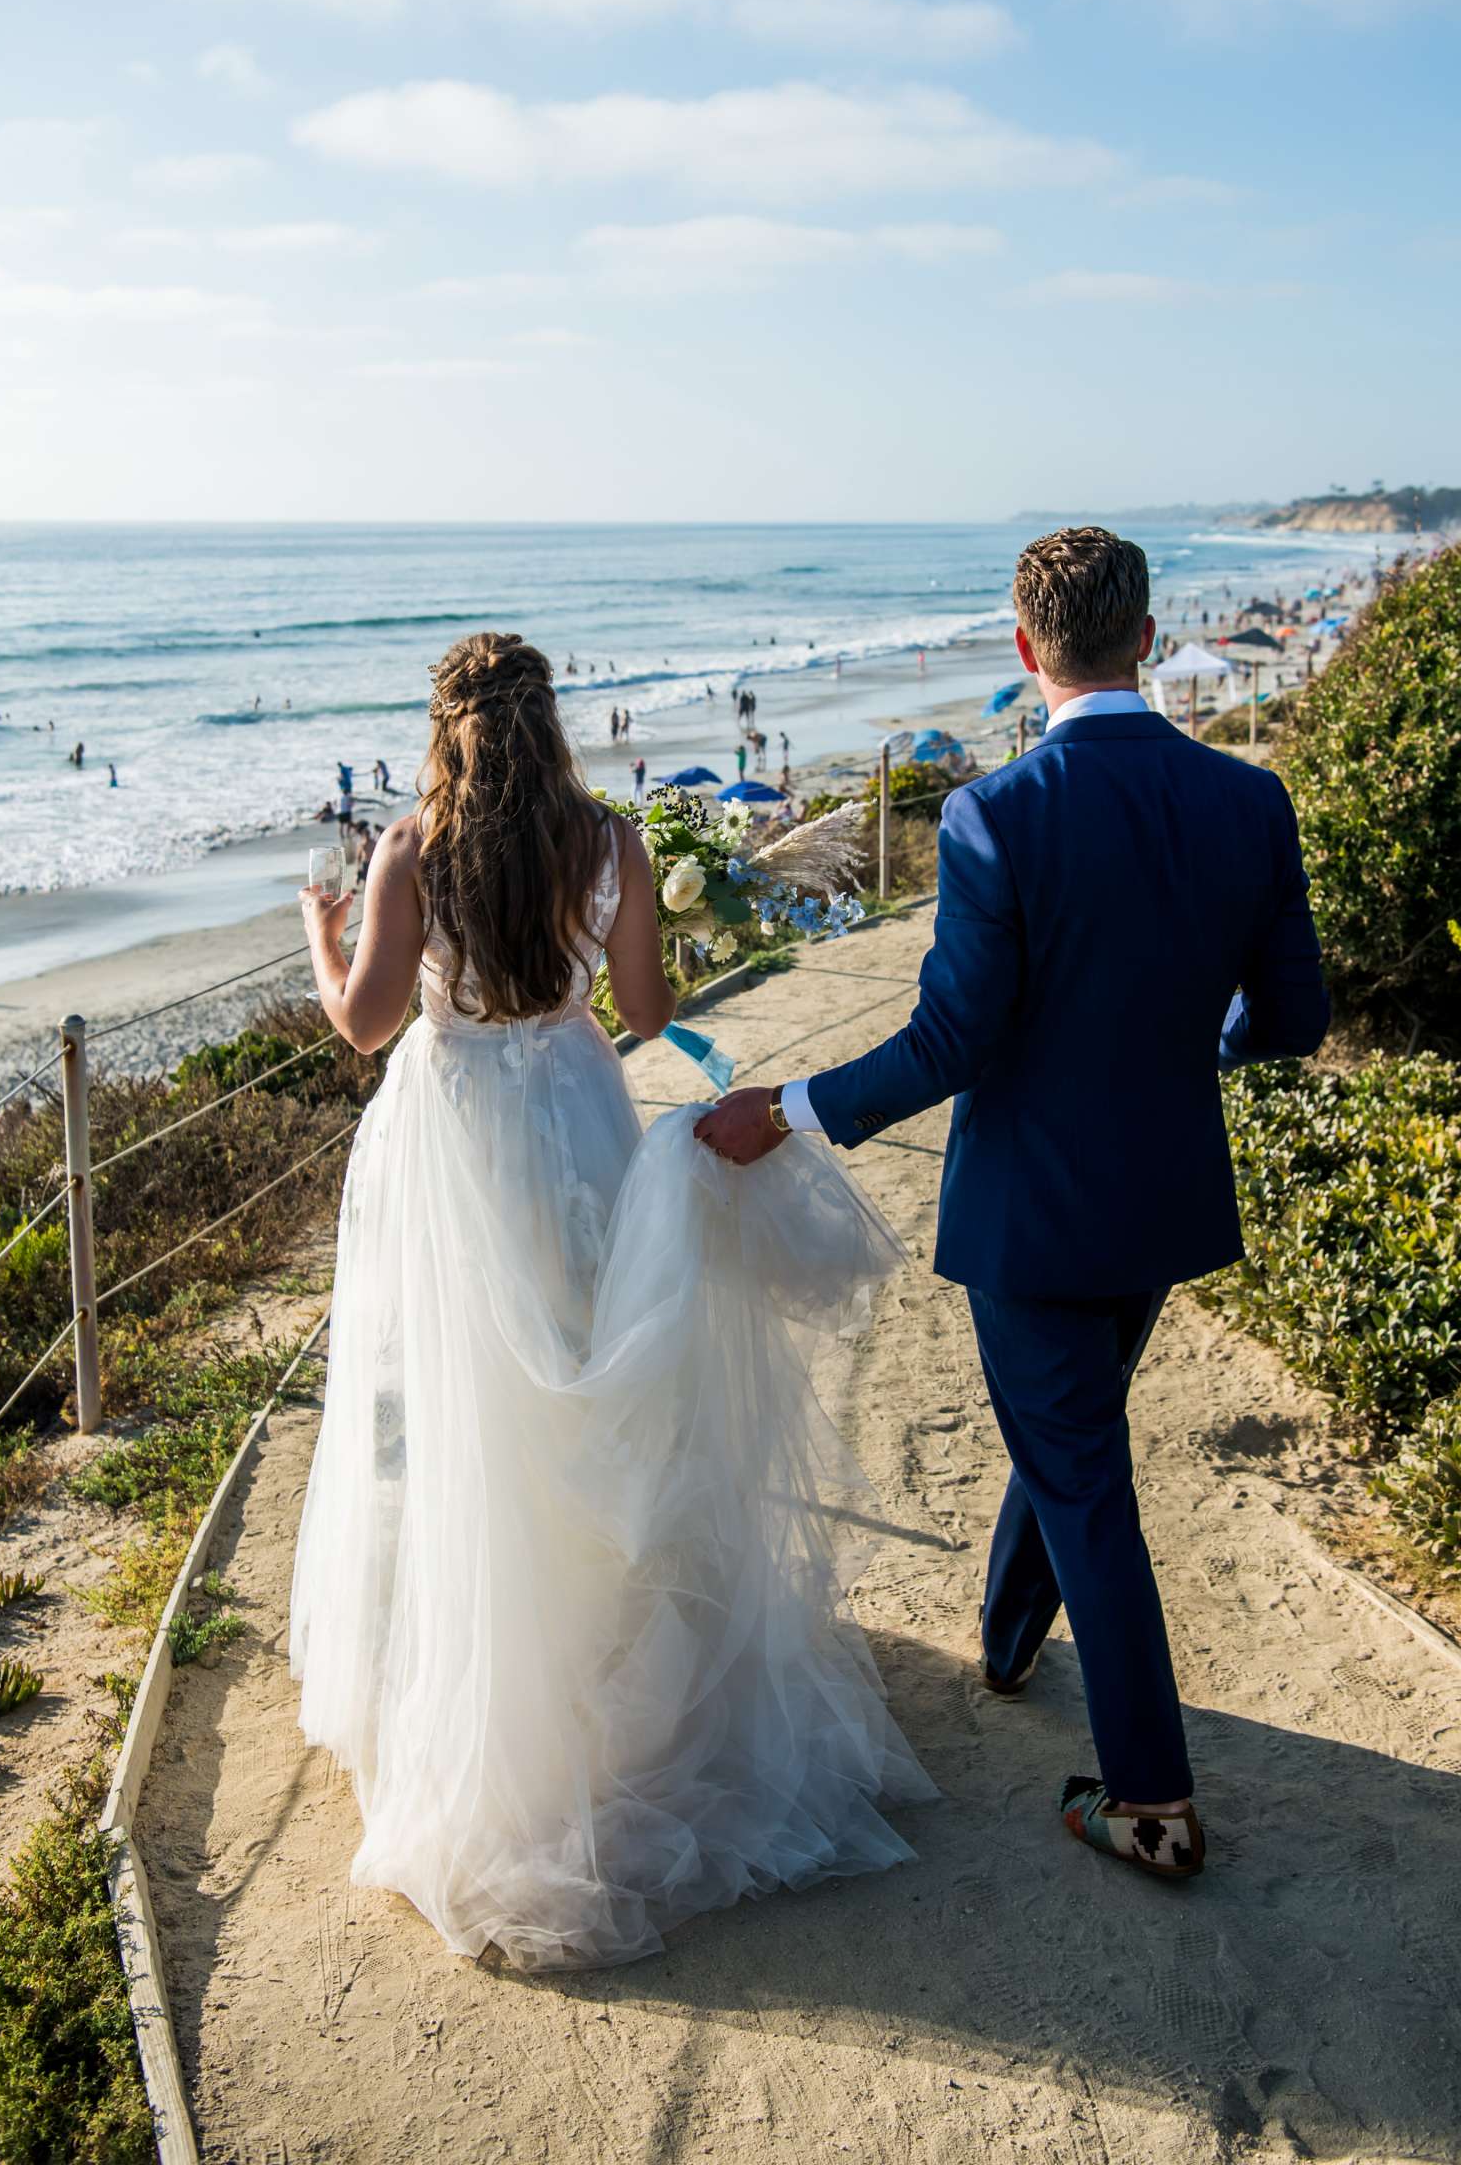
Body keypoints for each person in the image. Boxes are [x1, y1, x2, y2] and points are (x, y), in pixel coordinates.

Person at [696, 525, 1329, 1884]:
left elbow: (951, 1042)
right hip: (1156, 1201)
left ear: (1027, 646)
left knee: (1085, 1482)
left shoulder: (996, 816)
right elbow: (1291, 1019)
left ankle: (1152, 1800)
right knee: (1074, 1438)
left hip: (1038, 1219)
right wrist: (1180, 1052)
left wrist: (790, 1112)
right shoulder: (1249, 801)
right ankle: (1002, 1640)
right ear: (1148, 640)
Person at [291, 631, 931, 1969]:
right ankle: (608, 1659)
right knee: (587, 1387)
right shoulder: (612, 842)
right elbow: (644, 1013)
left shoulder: (413, 847)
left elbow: (360, 1028)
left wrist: (321, 931)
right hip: (576, 1115)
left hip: (455, 1135)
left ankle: (481, 1668)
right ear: (549, 721)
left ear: (448, 726)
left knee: (463, 1406)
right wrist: (608, 951)